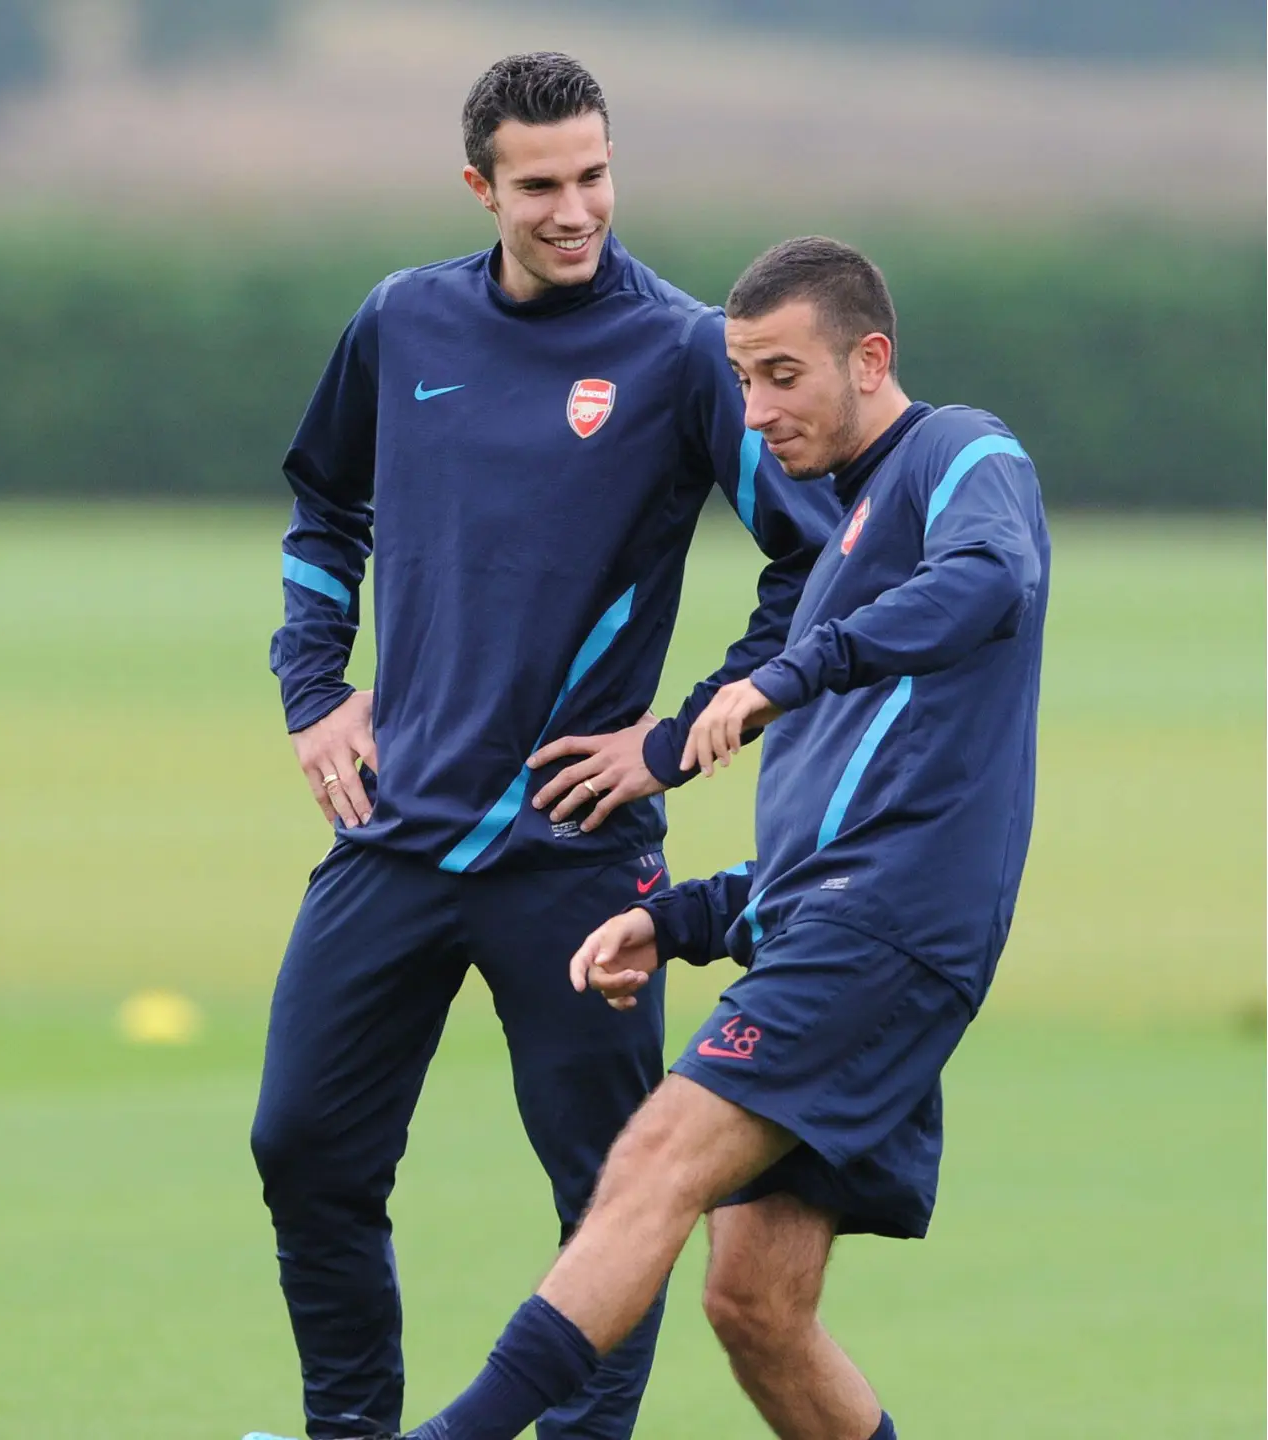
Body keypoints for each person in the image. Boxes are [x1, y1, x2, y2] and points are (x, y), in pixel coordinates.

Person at [248, 52, 837, 1440]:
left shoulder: (688, 349)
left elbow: (816, 574)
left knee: (608, 1203)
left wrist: (677, 738)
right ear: (482, 186)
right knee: (301, 1145)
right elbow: (322, 510)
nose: (577, 209)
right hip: (393, 835)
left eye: (595, 175)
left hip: (577, 856)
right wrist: (314, 688)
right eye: (542, 185)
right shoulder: (402, 325)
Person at [402, 236, 1050, 1440]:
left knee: (650, 1156)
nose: (754, 412)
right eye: (742, 380)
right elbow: (847, 821)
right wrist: (681, 915)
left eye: (781, 375)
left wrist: (786, 675)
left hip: (885, 932)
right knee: (756, 1305)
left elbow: (993, 579)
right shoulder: (846, 541)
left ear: (870, 358)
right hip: (846, 920)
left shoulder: (963, 452)